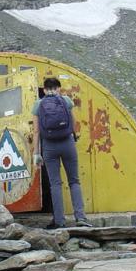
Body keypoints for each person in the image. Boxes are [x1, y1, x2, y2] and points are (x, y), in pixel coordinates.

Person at [32, 77, 92, 229]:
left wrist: (36, 154)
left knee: (55, 184)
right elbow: (73, 123)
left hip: (49, 147)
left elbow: (36, 131)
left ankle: (59, 221)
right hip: (67, 144)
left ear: (44, 90)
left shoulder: (38, 104)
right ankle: (80, 218)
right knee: (74, 181)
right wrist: (74, 136)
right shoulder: (66, 101)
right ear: (59, 88)